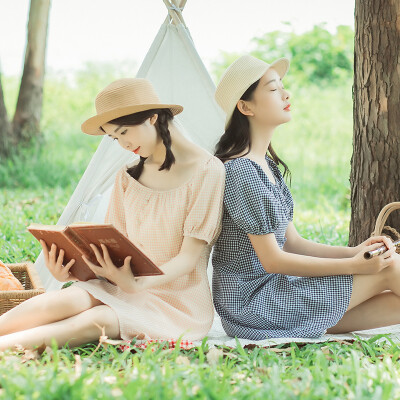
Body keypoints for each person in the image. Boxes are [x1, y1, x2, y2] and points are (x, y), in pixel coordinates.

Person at [0, 78, 225, 349]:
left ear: (152, 118)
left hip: (175, 302)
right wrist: (72, 272)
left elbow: (188, 258)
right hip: (120, 285)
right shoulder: (127, 176)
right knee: (68, 299)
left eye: (123, 132)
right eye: (114, 137)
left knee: (99, 318)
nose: (123, 144)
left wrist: (136, 284)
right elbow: (116, 247)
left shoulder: (207, 171)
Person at [211, 55, 399, 340]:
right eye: (273, 89)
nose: (286, 94)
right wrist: (354, 265)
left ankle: (314, 321)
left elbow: (295, 243)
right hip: (254, 305)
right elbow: (273, 260)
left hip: (277, 292)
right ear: (245, 106)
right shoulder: (242, 172)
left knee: (394, 294)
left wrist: (357, 251)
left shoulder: (266, 166)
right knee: (390, 270)